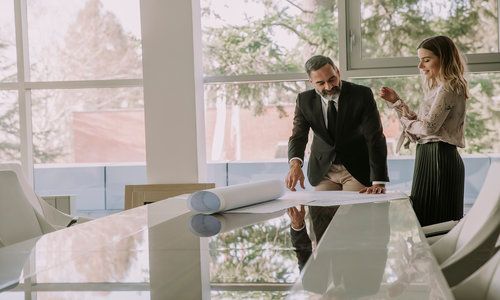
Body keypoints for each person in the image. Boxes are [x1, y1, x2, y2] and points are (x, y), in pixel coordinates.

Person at [285, 55, 389, 250]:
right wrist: (295, 164)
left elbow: (374, 138)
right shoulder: (304, 100)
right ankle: (327, 265)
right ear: (311, 82)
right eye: (320, 83)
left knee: (351, 219)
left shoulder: (361, 95)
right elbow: (298, 136)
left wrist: (378, 181)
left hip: (355, 169)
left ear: (338, 72)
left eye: (332, 79)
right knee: (322, 223)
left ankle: (351, 266)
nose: (328, 86)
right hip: (324, 170)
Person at [379, 35, 468, 226]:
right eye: (420, 60)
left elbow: (427, 128)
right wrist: (397, 102)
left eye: (426, 60)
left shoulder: (449, 88)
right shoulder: (438, 89)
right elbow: (424, 124)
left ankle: (438, 257)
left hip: (438, 157)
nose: (421, 66)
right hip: (430, 154)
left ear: (444, 58)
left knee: (435, 222)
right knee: (427, 219)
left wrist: (405, 120)